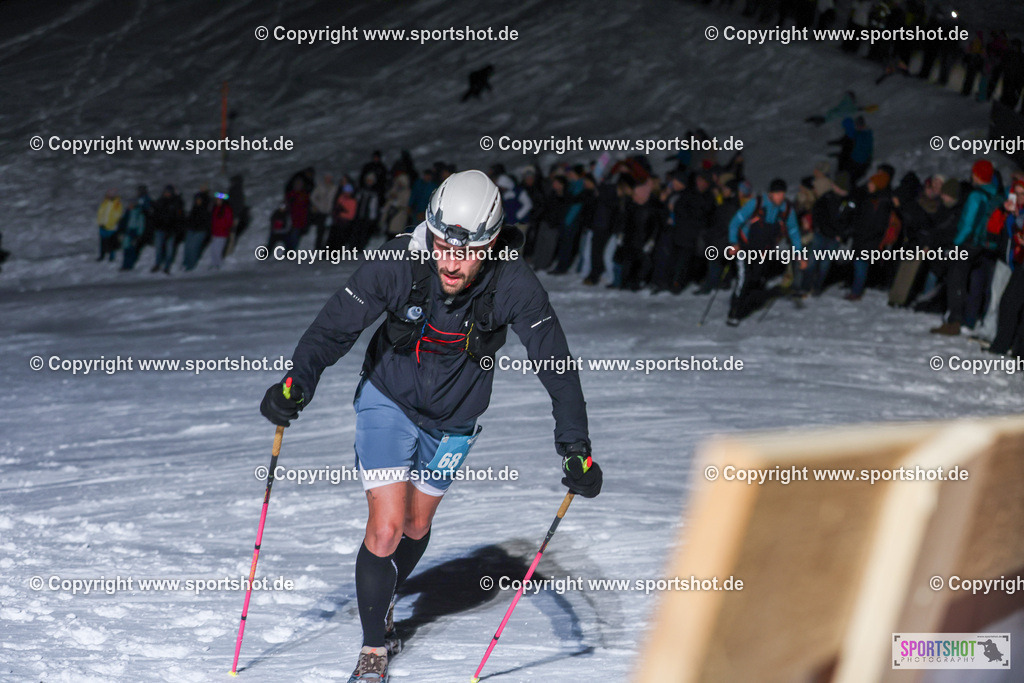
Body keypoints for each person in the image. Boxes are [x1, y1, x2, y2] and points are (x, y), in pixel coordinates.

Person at [259, 170, 602, 682]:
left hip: (455, 420)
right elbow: (334, 327)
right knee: (387, 527)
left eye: (467, 251)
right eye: (442, 246)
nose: (450, 261)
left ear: (491, 244)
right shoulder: (398, 261)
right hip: (388, 399)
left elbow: (555, 363)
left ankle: (385, 590)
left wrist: (576, 446)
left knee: (416, 526)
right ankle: (374, 647)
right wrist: (297, 381)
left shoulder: (514, 283)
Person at [932, 160, 1002, 335]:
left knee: (956, 280)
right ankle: (968, 320)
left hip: (969, 244)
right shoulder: (997, 195)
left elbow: (968, 224)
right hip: (987, 246)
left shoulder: (976, 195)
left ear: (977, 175)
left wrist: (956, 244)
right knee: (977, 285)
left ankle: (954, 321)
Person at [726, 179, 803, 324]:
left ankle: (747, 304)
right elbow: (735, 222)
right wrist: (733, 243)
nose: (780, 197)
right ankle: (734, 312)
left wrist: (799, 254)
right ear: (770, 193)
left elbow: (794, 231)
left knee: (756, 279)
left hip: (763, 252)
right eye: (777, 193)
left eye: (782, 194)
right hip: (744, 247)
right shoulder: (756, 204)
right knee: (743, 279)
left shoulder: (786, 210)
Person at [182, 191, 211, 271]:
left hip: (200, 231)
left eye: (199, 200)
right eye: (197, 199)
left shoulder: (205, 210)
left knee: (193, 248)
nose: (198, 201)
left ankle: (191, 265)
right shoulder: (194, 208)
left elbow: (207, 222)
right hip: (191, 230)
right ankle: (186, 263)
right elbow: (189, 219)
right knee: (187, 247)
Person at [207, 193, 234, 269]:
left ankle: (219, 265)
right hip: (215, 233)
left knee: (218, 250)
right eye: (217, 200)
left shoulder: (227, 209)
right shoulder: (215, 208)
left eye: (219, 200)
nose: (217, 201)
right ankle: (214, 263)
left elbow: (229, 222)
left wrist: (223, 227)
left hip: (222, 233)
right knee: (213, 249)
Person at [311, 174, 337, 249]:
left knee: (329, 231)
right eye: (326, 178)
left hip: (330, 212)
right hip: (321, 212)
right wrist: (317, 204)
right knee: (320, 231)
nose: (328, 179)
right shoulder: (320, 187)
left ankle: (327, 247)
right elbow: (313, 197)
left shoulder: (335, 188)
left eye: (329, 178)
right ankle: (318, 246)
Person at [96, 189, 123, 262]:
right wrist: (100, 222)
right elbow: (100, 212)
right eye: (108, 194)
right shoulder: (105, 202)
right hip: (102, 225)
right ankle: (102, 255)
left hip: (111, 226)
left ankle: (112, 257)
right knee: (102, 241)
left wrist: (112, 223)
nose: (109, 195)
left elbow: (117, 214)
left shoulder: (117, 203)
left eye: (111, 194)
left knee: (111, 242)